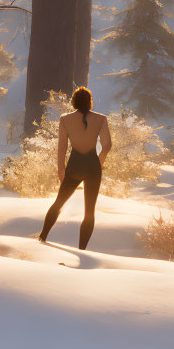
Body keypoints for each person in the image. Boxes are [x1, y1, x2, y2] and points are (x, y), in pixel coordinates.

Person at [39, 86, 112, 249]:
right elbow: (107, 145)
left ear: (74, 102)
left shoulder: (65, 119)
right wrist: (100, 160)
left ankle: (42, 237)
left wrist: (61, 168)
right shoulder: (101, 119)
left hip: (74, 165)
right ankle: (82, 250)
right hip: (93, 166)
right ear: (90, 102)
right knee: (89, 210)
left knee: (58, 203)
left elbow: (62, 147)